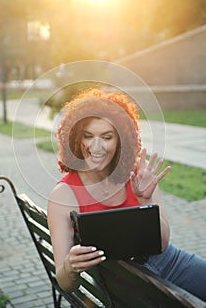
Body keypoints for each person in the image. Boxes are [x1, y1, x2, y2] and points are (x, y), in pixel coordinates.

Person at [47, 88, 206, 301]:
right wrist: (70, 266)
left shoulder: (138, 173)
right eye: (88, 136)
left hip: (169, 262)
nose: (97, 147)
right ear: (77, 138)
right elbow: (65, 283)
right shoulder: (64, 196)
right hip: (126, 284)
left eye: (107, 137)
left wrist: (146, 200)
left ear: (121, 140)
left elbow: (162, 244)